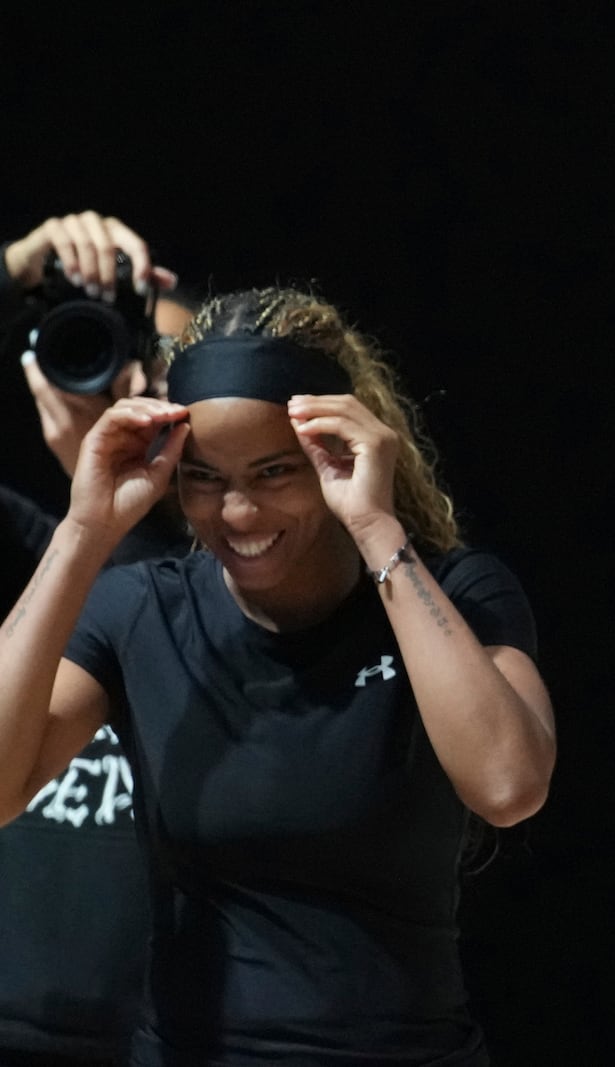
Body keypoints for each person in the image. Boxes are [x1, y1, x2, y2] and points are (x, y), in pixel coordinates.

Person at [0, 285, 557, 1065]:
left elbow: (508, 784)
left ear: (336, 452)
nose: (238, 513)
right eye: (203, 477)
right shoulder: (140, 610)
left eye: (273, 472)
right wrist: (84, 528)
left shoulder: (455, 594)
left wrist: (375, 524)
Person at [0, 211, 194, 1066]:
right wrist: (13, 272)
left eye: (163, 374)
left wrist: (125, 518)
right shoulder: (21, 549)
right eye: (110, 355)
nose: (132, 394)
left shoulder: (253, 581)